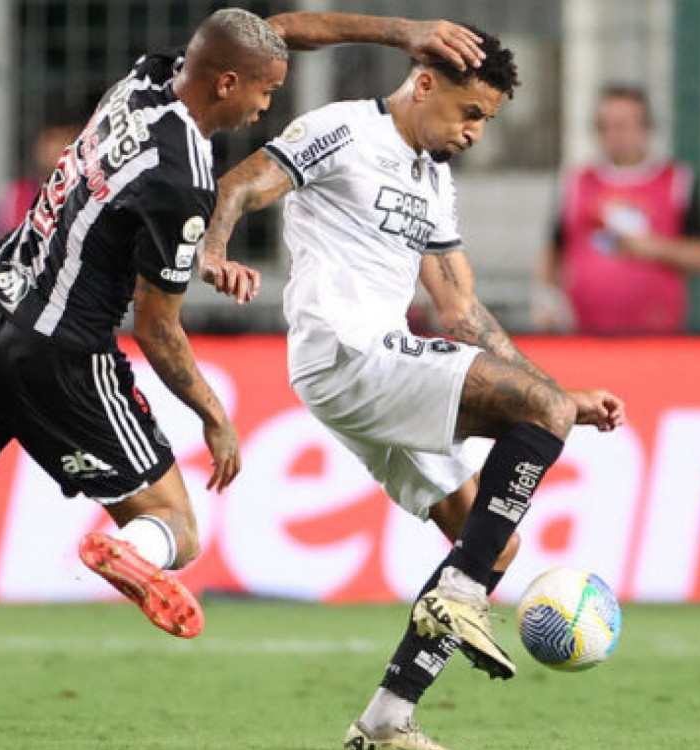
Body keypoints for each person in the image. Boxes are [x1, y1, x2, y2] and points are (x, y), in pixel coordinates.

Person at [0, 9, 491, 750]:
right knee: (178, 527)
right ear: (226, 83)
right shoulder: (185, 175)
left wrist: (403, 32)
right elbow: (157, 327)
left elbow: (267, 32)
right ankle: (130, 549)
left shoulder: (144, 80)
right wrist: (215, 414)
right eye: (265, 90)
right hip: (61, 351)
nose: (266, 105)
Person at [200, 28, 626, 750]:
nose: (473, 132)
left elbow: (461, 311)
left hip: (375, 363)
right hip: (347, 347)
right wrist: (213, 250)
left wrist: (552, 392)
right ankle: (459, 599)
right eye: (469, 112)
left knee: (490, 545)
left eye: (485, 120)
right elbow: (241, 184)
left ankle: (385, 723)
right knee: (498, 509)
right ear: (425, 84)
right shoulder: (342, 130)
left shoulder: (434, 182)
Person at [532, 84, 700, 334]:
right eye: (605, 126)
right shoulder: (576, 183)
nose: (614, 135)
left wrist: (652, 247)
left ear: (645, 128)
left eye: (622, 125)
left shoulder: (676, 181)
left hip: (657, 333)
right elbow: (554, 249)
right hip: (585, 334)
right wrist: (546, 298)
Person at [0, 122, 83, 283]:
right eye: (50, 141)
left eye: (64, 140)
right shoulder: (16, 195)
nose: (55, 150)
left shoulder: (88, 197)